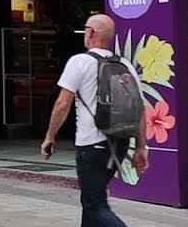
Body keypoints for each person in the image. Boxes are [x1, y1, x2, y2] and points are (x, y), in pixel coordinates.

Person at [41, 13, 148, 227]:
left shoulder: (79, 62)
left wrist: (49, 137)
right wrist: (141, 148)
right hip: (119, 143)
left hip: (91, 146)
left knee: (95, 204)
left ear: (90, 33)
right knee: (92, 202)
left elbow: (63, 104)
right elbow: (140, 110)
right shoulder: (125, 65)